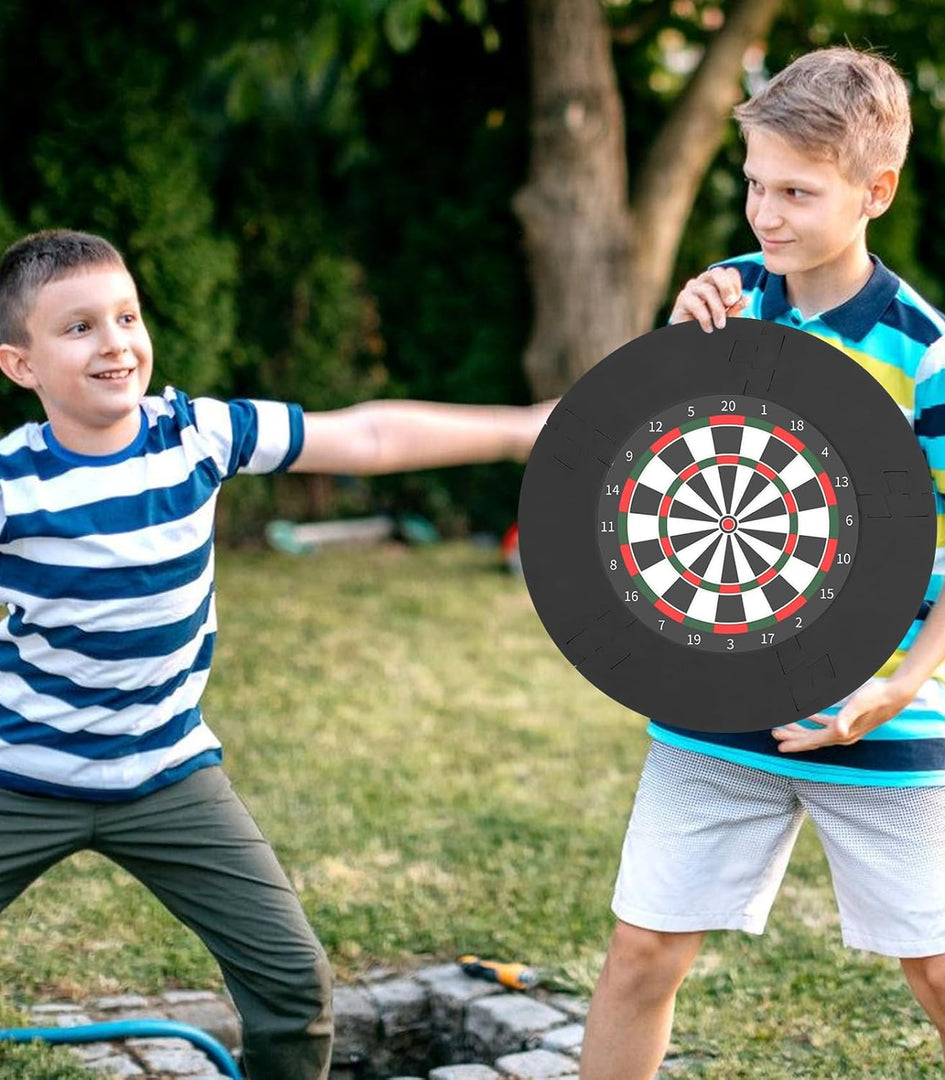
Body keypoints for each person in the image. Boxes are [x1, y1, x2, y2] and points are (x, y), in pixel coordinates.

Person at [578, 47, 945, 1080]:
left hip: (876, 702)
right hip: (719, 683)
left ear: (876, 191)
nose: (765, 216)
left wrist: (901, 685)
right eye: (754, 186)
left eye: (796, 192)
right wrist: (679, 341)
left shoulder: (933, 358)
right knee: (642, 954)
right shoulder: (731, 299)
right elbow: (678, 475)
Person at [0, 228, 551, 1080]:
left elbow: (367, 438)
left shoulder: (197, 434)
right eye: (79, 327)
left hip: (167, 773)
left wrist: (521, 429)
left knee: (293, 986)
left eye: (126, 317)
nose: (114, 342)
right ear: (20, 365)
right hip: (23, 774)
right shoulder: (13, 481)